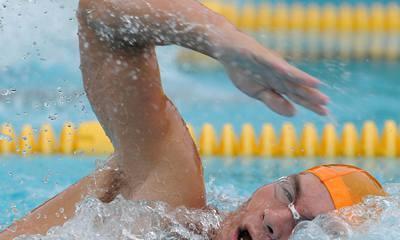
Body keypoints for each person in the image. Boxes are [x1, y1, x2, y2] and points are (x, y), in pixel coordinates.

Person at [0, 0, 386, 239]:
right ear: (265, 186)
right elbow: (101, 12)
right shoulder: (169, 205)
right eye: (287, 195)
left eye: (309, 229)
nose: (276, 219)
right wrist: (221, 39)